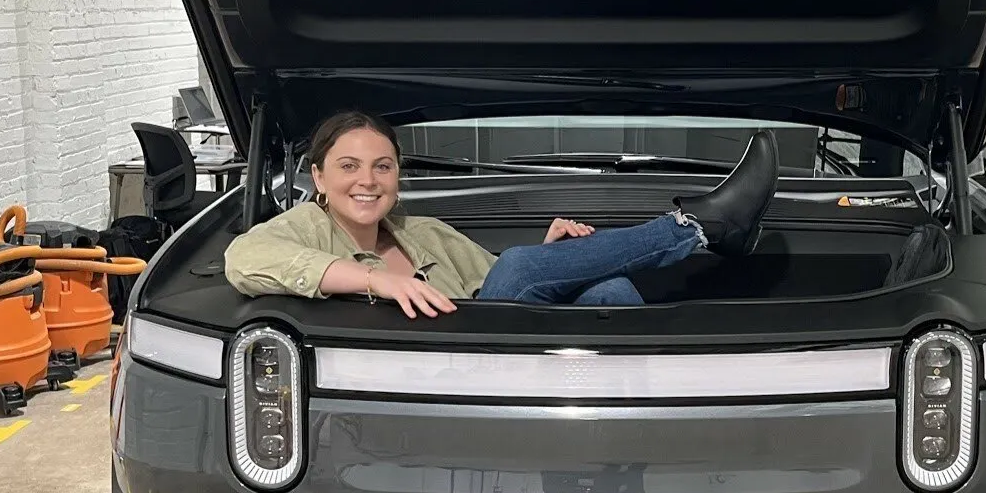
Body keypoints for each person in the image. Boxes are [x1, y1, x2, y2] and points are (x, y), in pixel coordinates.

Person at [223, 110, 780, 318]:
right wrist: (376, 281)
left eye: (383, 166)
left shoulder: (425, 232)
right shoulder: (301, 227)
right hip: (424, 381)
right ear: (317, 176)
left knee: (607, 289)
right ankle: (701, 226)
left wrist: (550, 253)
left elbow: (498, 284)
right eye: (348, 166)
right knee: (522, 264)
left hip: (504, 360)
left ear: (398, 176)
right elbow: (245, 259)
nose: (367, 181)